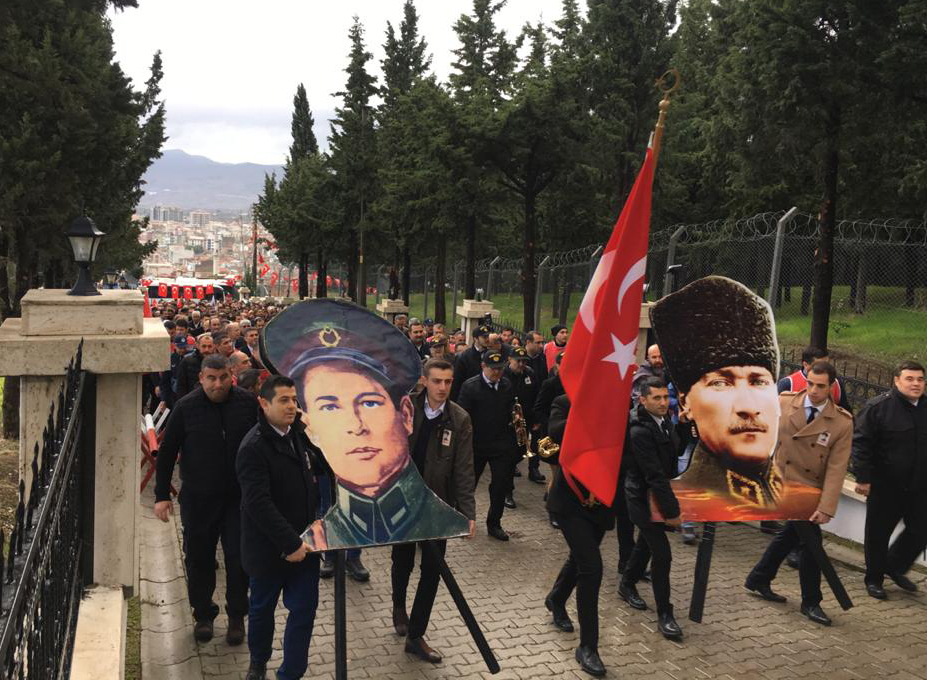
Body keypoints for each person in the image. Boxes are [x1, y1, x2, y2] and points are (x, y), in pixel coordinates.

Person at [261, 299, 471, 550]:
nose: (355, 425)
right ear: (310, 426)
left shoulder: (442, 519)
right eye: (330, 407)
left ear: (405, 414)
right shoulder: (319, 537)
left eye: (369, 403)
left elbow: (464, 470)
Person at [651, 276, 819, 518]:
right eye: (721, 383)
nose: (748, 406)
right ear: (686, 402)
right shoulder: (689, 495)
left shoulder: (791, 493)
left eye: (758, 381)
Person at [154, 355, 258, 645]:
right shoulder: (186, 407)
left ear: (231, 376)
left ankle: (237, 615)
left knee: (239, 559)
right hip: (199, 499)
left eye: (223, 377)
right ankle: (203, 613)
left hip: (238, 499)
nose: (218, 384)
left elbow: (261, 443)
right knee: (199, 558)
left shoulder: (246, 403)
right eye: (211, 378)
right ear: (201, 378)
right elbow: (167, 452)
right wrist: (161, 495)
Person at [745, 360, 853, 626]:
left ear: (831, 387)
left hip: (810, 489)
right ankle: (811, 602)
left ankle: (759, 577)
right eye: (810, 384)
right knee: (811, 544)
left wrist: (826, 506)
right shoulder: (784, 402)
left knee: (794, 535)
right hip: (782, 481)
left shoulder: (841, 423)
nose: (814, 390)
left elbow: (837, 468)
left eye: (821, 386)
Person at [237, 375, 326, 680]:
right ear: (264, 404)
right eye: (284, 400)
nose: (291, 406)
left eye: (294, 400)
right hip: (269, 548)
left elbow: (321, 470)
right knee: (262, 609)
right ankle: (258, 661)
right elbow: (258, 503)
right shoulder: (253, 447)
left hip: (305, 546)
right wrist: (290, 543)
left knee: (303, 610)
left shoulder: (299, 435)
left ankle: (292, 673)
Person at [391, 359, 476, 664]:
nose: (442, 387)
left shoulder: (459, 419)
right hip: (403, 501)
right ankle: (398, 606)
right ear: (424, 381)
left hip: (438, 505)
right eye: (437, 381)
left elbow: (464, 469)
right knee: (402, 560)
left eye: (448, 382)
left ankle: (416, 635)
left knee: (433, 570)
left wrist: (467, 514)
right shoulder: (404, 408)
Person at [544, 392, 614, 677]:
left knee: (580, 559)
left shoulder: (615, 405)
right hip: (570, 503)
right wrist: (585, 410)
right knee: (592, 567)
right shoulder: (564, 402)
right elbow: (555, 434)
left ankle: (557, 598)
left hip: (602, 501)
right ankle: (588, 647)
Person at [852, 360, 927, 600]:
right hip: (885, 486)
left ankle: (894, 565)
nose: (916, 384)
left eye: (920, 379)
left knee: (921, 530)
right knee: (878, 534)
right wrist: (863, 477)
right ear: (896, 381)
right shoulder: (878, 407)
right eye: (909, 379)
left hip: (919, 486)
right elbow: (861, 444)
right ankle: (874, 579)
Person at [618, 378, 684, 641]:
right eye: (656, 398)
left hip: (656, 496)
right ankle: (665, 614)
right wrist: (673, 512)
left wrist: (685, 425)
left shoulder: (664, 420)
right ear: (642, 400)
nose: (663, 402)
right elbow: (654, 474)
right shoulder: (639, 430)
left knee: (645, 545)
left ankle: (626, 583)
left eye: (665, 397)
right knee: (662, 555)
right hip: (642, 499)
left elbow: (676, 450)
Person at [456, 350, 517, 541]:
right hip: (477, 445)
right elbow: (462, 416)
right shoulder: (470, 386)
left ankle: (494, 523)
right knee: (468, 485)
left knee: (500, 485)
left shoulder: (507, 385)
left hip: (500, 445)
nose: (497, 372)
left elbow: (511, 409)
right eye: (493, 369)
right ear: (483, 366)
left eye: (500, 369)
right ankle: (463, 520)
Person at [504, 346, 543, 506]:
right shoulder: (503, 375)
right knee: (507, 460)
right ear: (509, 360)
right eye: (518, 361)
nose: (521, 364)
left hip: (524, 422)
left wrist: (535, 420)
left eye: (524, 361)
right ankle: (507, 491)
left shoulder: (530, 374)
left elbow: (536, 397)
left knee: (518, 455)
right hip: (506, 424)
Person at [779, 345, 852, 412]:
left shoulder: (835, 383)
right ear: (805, 365)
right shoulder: (788, 383)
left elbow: (845, 413)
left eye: (827, 364)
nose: (824, 368)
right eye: (810, 384)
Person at [450, 325, 491, 402]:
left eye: (488, 336)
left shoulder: (490, 355)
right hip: (469, 398)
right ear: (475, 339)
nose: (487, 339)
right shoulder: (464, 357)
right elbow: (456, 383)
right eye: (484, 337)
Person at [174, 332, 214, 400]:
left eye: (209, 346)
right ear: (198, 346)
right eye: (204, 346)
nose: (206, 350)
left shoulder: (218, 362)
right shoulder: (187, 361)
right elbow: (181, 386)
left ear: (214, 346)